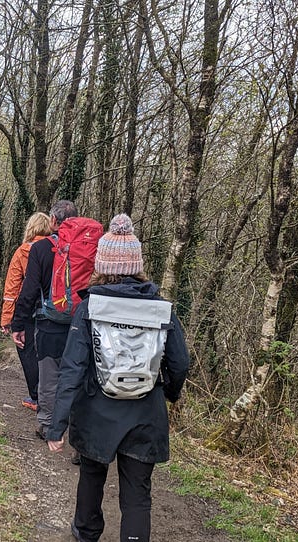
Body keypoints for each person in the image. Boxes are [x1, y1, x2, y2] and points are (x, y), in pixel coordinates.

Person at [46, 214, 190, 542]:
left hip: (96, 411)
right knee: (137, 496)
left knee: (92, 478)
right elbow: (180, 364)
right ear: (137, 265)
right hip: (145, 412)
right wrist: (166, 392)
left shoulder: (90, 309)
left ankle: (85, 533)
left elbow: (72, 369)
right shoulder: (162, 310)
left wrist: (57, 425)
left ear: (101, 264)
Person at [11, 200, 81, 440]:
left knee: (49, 375)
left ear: (53, 220)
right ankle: (79, 432)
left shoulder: (40, 249)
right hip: (81, 323)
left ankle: (48, 425)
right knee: (78, 375)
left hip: (49, 322)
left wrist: (18, 323)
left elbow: (29, 290)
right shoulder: (87, 248)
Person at [0, 212, 52, 411]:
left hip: (28, 308)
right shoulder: (57, 249)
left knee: (27, 350)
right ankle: (51, 396)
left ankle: (36, 397)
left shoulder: (23, 251)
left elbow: (12, 289)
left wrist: (7, 318)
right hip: (54, 308)